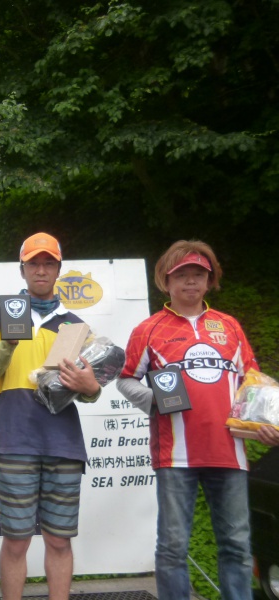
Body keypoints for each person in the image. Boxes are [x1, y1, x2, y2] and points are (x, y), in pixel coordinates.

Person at [116, 240, 279, 599]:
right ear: (166, 281)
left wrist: (266, 424)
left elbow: (253, 381)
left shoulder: (230, 327)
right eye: (182, 275)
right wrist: (154, 402)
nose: (190, 282)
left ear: (209, 281)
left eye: (198, 275)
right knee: (173, 546)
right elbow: (125, 379)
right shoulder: (149, 329)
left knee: (237, 544)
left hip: (230, 452)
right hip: (176, 456)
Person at [0, 232, 101, 600]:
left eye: (49, 263)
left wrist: (90, 385)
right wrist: (9, 343)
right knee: (16, 542)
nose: (42, 269)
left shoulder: (77, 326)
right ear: (22, 269)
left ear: (59, 269)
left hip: (64, 443)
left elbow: (93, 394)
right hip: (15, 440)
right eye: (34, 263)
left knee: (59, 541)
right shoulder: (2, 316)